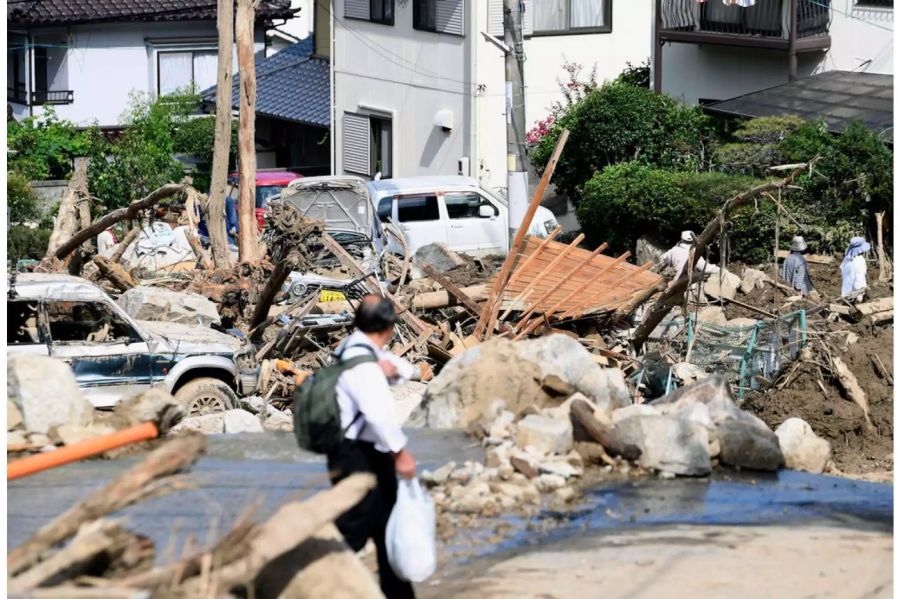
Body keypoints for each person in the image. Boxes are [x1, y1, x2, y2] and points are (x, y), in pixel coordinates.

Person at [328, 294, 418, 599]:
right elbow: (377, 415)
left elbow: (401, 368)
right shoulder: (365, 364)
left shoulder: (352, 347)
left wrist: (394, 371)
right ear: (388, 326)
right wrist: (401, 454)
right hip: (360, 456)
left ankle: (397, 594)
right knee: (353, 530)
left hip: (353, 453)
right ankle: (320, 587)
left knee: (384, 528)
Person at [841, 236, 870, 302]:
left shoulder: (847, 259)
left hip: (846, 294)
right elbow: (859, 279)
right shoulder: (859, 260)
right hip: (854, 296)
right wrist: (860, 297)